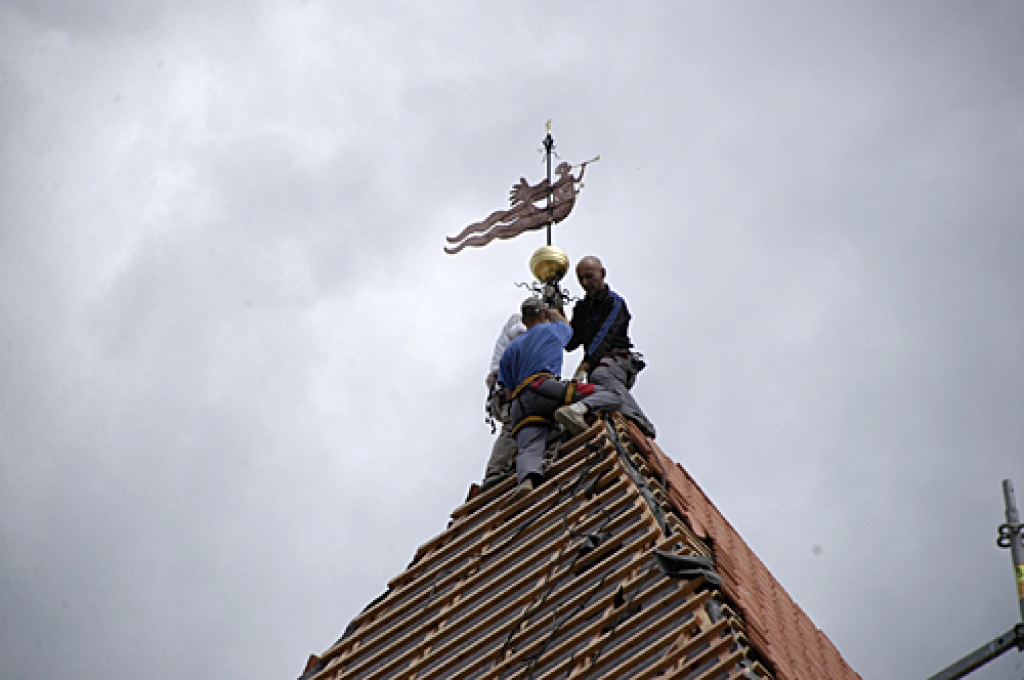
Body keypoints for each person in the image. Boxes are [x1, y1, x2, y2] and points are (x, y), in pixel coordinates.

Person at [499, 298, 621, 496]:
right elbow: (568, 328)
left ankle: (527, 480)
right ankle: (577, 410)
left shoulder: (511, 349)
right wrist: (555, 313)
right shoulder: (553, 330)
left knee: (530, 447)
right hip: (543, 387)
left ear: (524, 319)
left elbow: (508, 392)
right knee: (613, 395)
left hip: (520, 405)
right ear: (545, 315)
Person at [566, 256, 657, 438]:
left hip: (616, 361)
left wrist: (586, 363)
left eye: (589, 277)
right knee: (594, 390)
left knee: (602, 376)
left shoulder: (614, 303)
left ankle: (638, 420)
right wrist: (557, 318)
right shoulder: (581, 309)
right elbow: (570, 342)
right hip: (595, 367)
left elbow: (604, 336)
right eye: (581, 279)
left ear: (603, 273)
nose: (585, 283)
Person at [480, 312, 527, 490]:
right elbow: (520, 331)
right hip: (506, 391)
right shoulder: (518, 323)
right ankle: (496, 471)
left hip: (508, 390)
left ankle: (510, 466)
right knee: (512, 427)